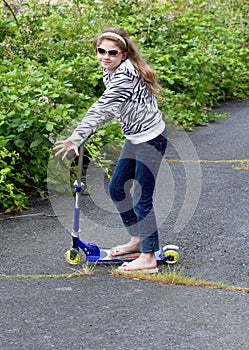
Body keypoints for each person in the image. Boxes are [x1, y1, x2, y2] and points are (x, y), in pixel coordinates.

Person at [53, 28, 168, 273]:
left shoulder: (126, 74)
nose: (105, 56)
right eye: (101, 51)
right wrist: (94, 126)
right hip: (135, 138)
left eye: (112, 52)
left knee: (141, 197)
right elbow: (112, 107)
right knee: (117, 188)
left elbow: (102, 106)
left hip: (151, 139)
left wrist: (77, 136)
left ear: (124, 53)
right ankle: (138, 240)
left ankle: (148, 258)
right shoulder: (111, 72)